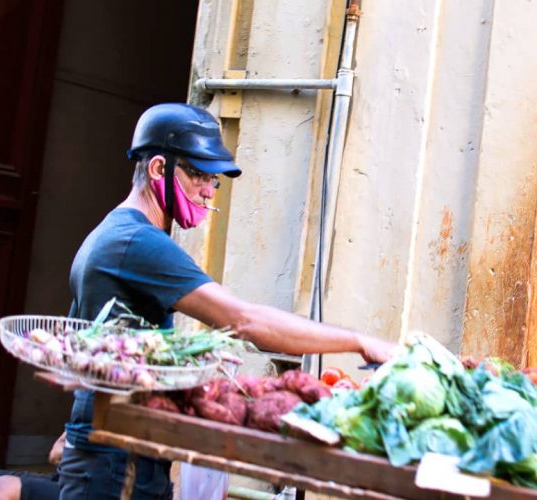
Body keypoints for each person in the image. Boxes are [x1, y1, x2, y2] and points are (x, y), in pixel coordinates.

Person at [57, 102, 397, 499]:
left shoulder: (111, 231)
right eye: (200, 175)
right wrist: (360, 341)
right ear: (158, 170)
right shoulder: (138, 242)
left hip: (106, 443)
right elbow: (246, 321)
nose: (208, 190)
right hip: (119, 457)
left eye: (214, 180)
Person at [0, 432, 64, 500]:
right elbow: (54, 454)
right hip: (62, 478)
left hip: (75, 490)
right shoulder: (77, 414)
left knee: (2, 488)